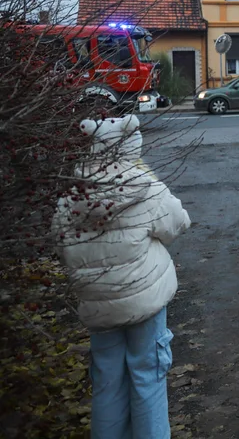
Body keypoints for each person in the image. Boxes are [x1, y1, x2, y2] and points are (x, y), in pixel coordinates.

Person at [53, 115, 191, 439]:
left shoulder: (74, 192)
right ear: (131, 145)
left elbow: (59, 240)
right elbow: (177, 223)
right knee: (148, 376)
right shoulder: (144, 185)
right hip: (145, 298)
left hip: (98, 303)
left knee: (107, 381)